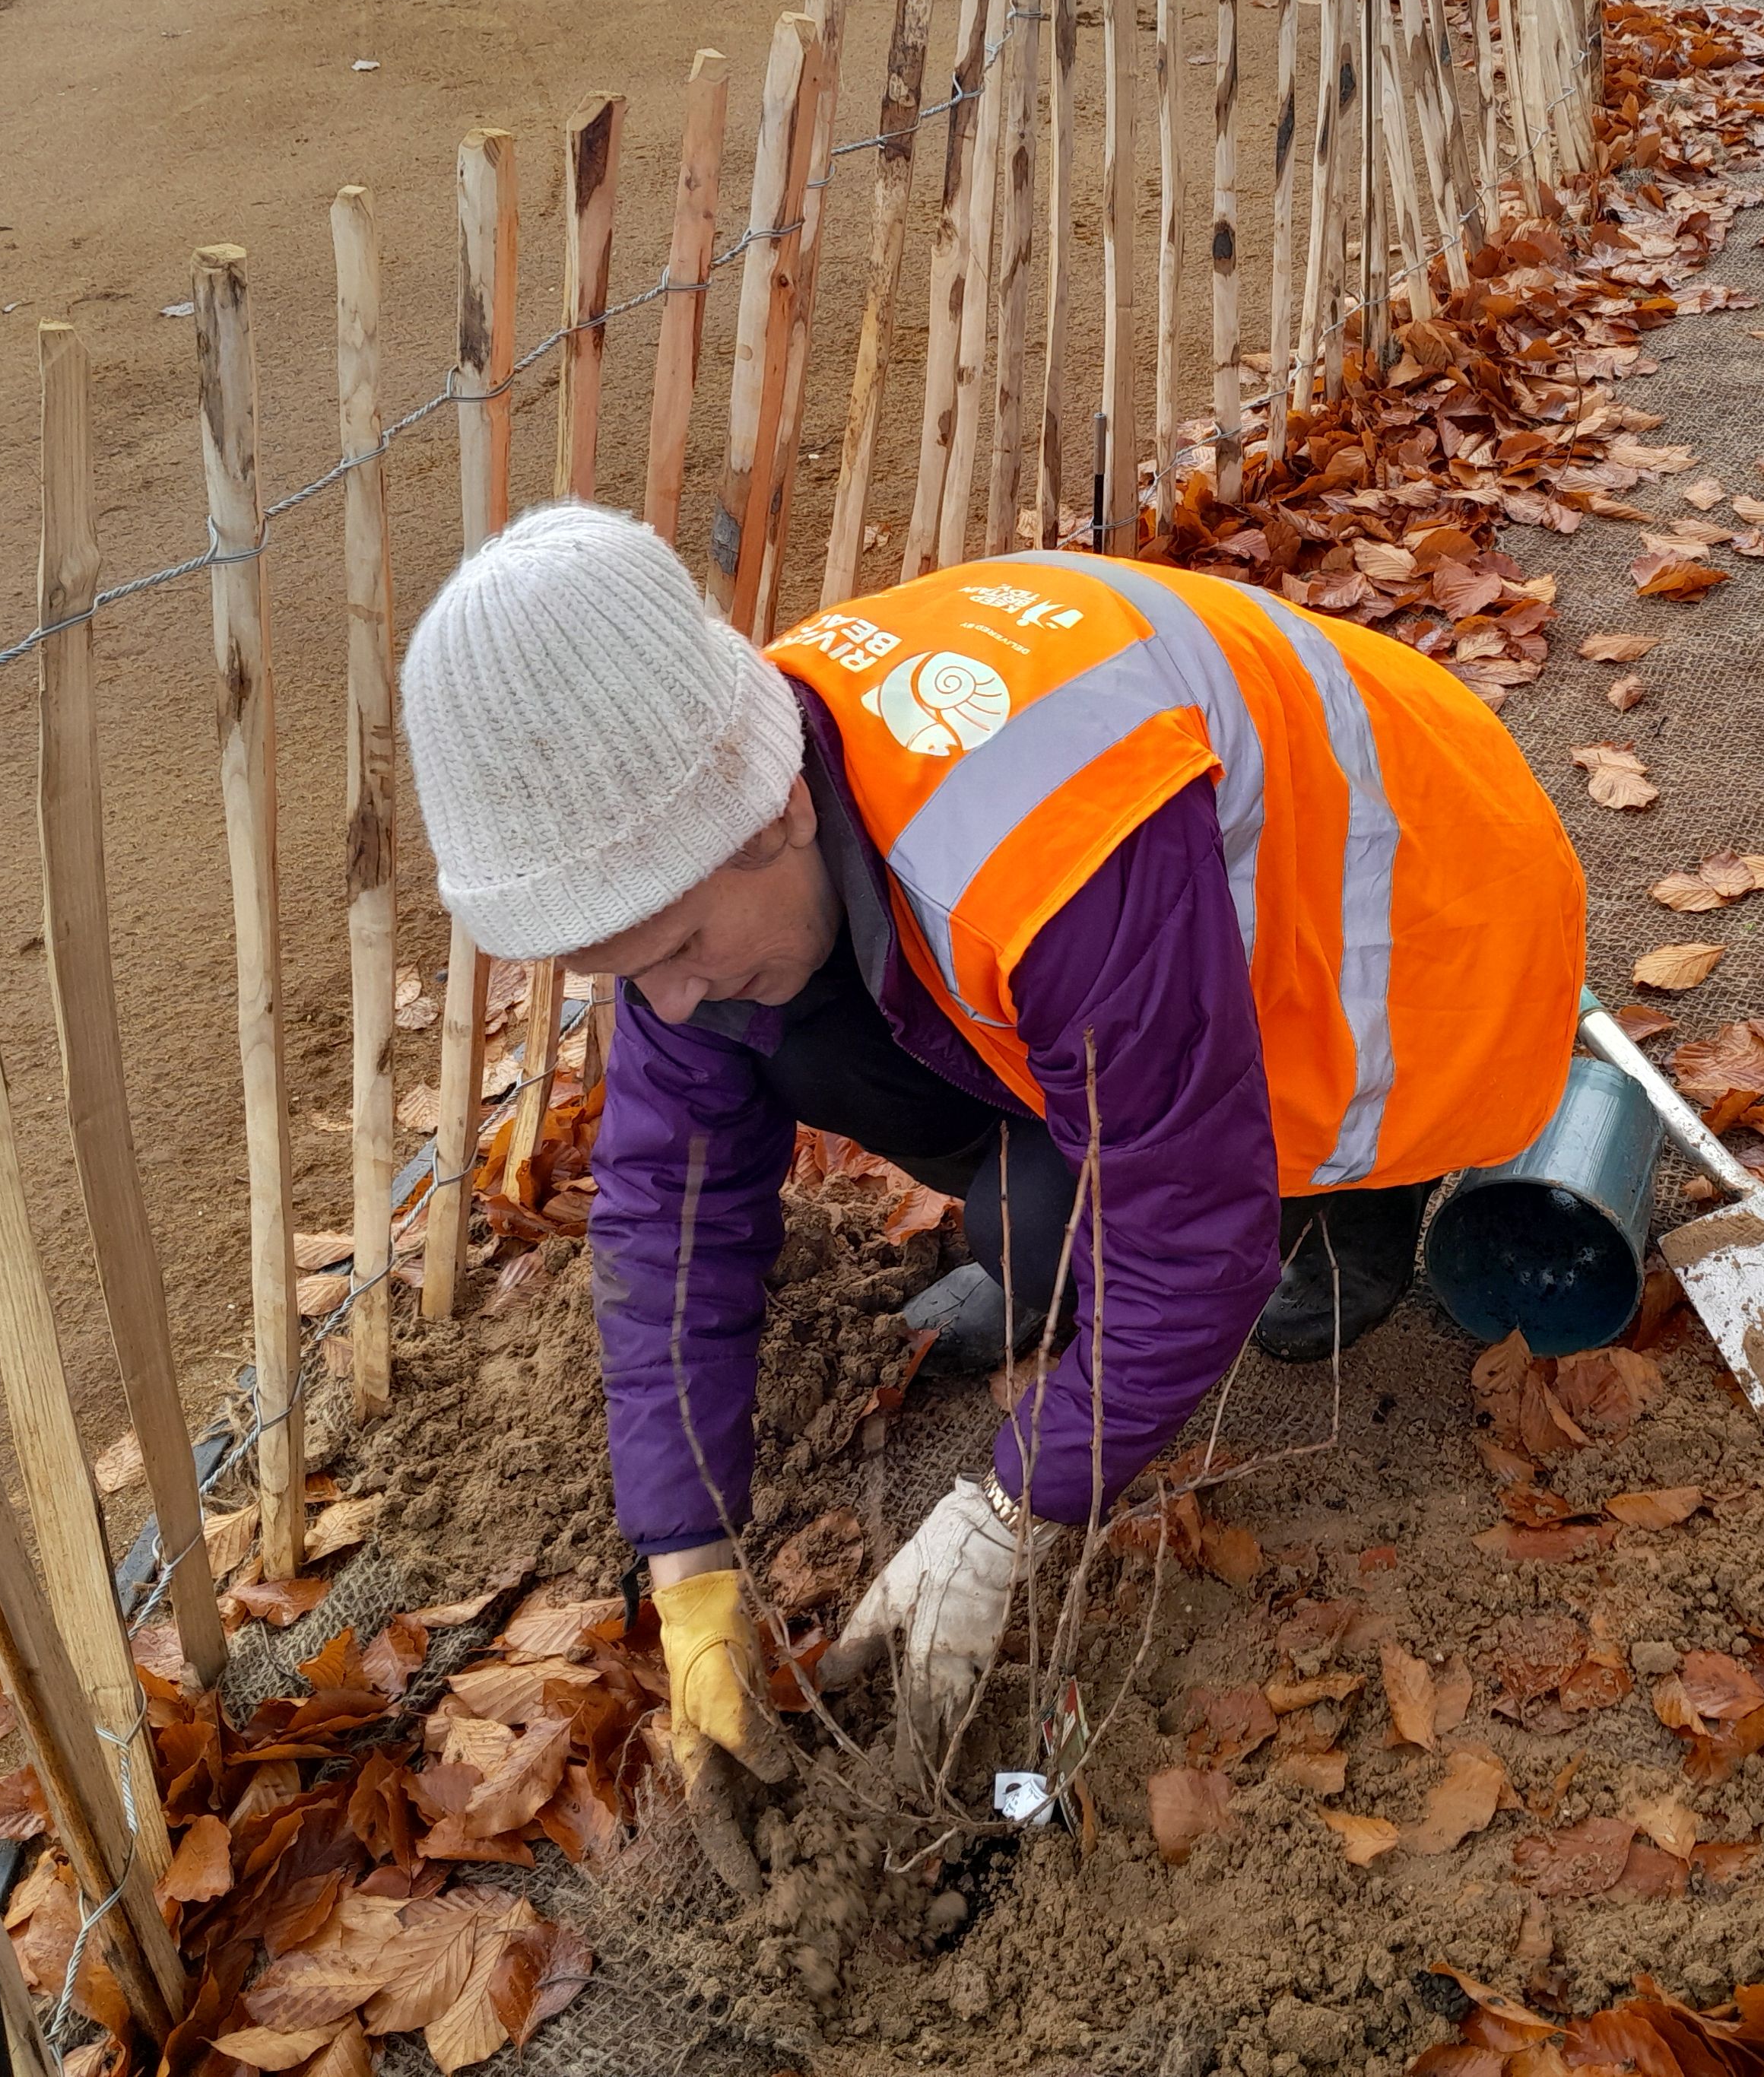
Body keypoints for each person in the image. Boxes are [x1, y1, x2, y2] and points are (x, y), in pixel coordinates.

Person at [399, 503, 1584, 1785]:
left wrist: (1012, 1511)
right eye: (628, 971)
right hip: (1130, 943)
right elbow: (667, 1210)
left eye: (679, 946)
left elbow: (1191, 1240)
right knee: (918, 1135)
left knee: (1191, 1220)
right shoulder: (703, 803)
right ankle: (1074, 1191)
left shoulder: (1037, 841)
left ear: (778, 811)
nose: (666, 1001)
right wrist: (688, 1572)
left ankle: (1356, 1203)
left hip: (1409, 899)